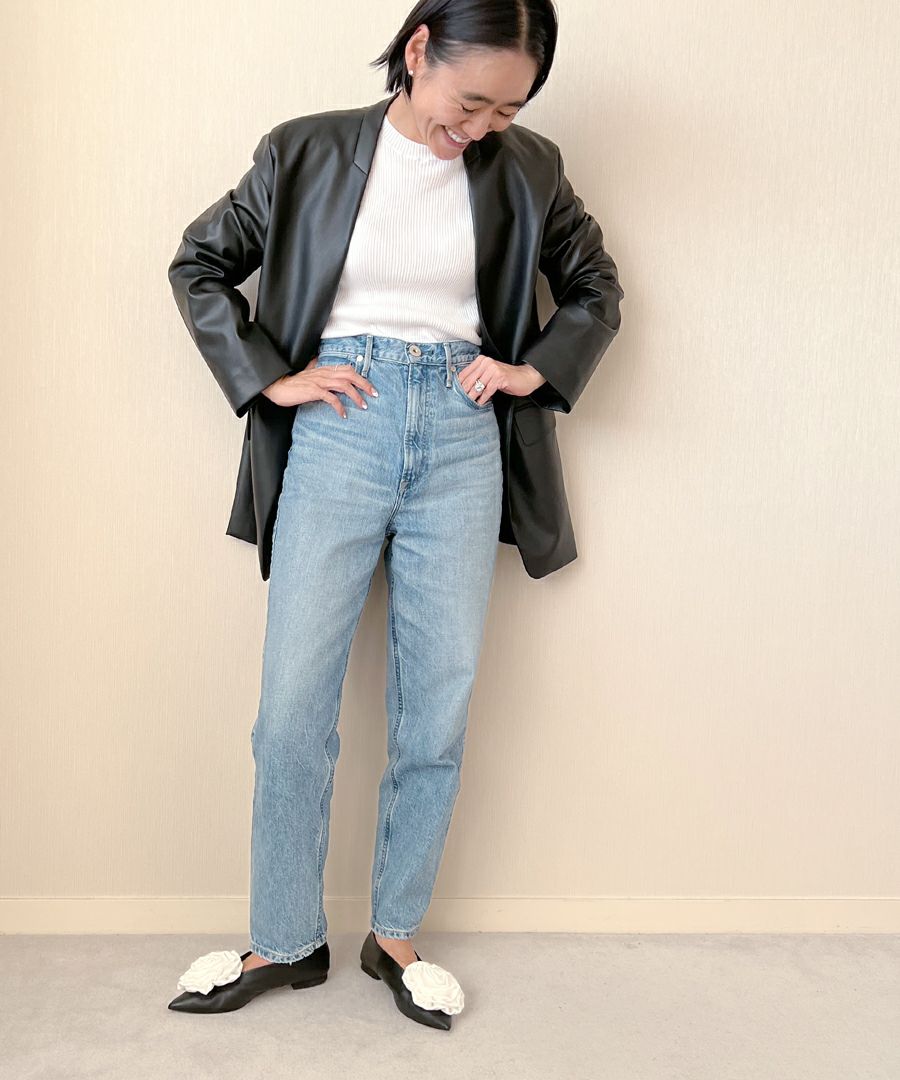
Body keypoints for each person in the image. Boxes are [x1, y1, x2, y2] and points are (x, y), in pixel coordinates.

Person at [165, 0, 623, 1029]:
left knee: (437, 706)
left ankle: (396, 933)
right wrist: (269, 376)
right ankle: (284, 938)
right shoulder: (304, 151)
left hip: (463, 435)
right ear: (419, 51)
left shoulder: (529, 168)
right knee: (293, 709)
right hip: (340, 425)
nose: (483, 126)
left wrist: (533, 369)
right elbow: (198, 263)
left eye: (509, 109)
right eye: (473, 100)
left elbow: (595, 284)